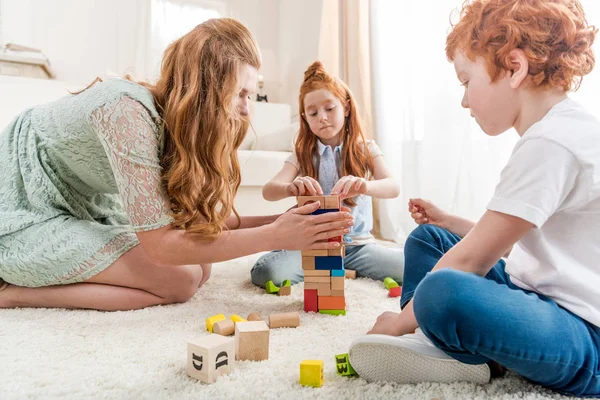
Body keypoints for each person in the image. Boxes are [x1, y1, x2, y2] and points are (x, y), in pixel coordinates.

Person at [0, 18, 352, 311]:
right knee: (180, 279)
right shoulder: (126, 112)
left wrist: (288, 222)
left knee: (201, 266)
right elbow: (161, 246)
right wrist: (274, 236)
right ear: (206, 89)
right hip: (24, 200)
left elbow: (199, 220)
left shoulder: (177, 126)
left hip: (80, 200)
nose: (247, 108)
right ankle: (10, 293)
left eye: (251, 93)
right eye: (241, 94)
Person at [348, 0, 600, 396]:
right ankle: (451, 343)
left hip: (584, 336)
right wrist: (448, 221)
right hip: (536, 295)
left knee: (441, 290)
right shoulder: (560, 129)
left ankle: (448, 341)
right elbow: (515, 240)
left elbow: (473, 258)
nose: (464, 101)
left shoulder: (552, 142)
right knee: (430, 240)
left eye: (466, 82)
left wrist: (398, 323)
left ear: (514, 68)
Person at [250, 61, 403, 288]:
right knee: (267, 273)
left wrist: (364, 185)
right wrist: (289, 187)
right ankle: (328, 265)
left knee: (412, 265)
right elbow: (269, 191)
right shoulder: (303, 154)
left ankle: (340, 265)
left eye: (329, 109)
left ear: (346, 108)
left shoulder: (366, 148)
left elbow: (393, 187)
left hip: (357, 247)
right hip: (314, 245)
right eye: (313, 113)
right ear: (305, 118)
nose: (322, 117)